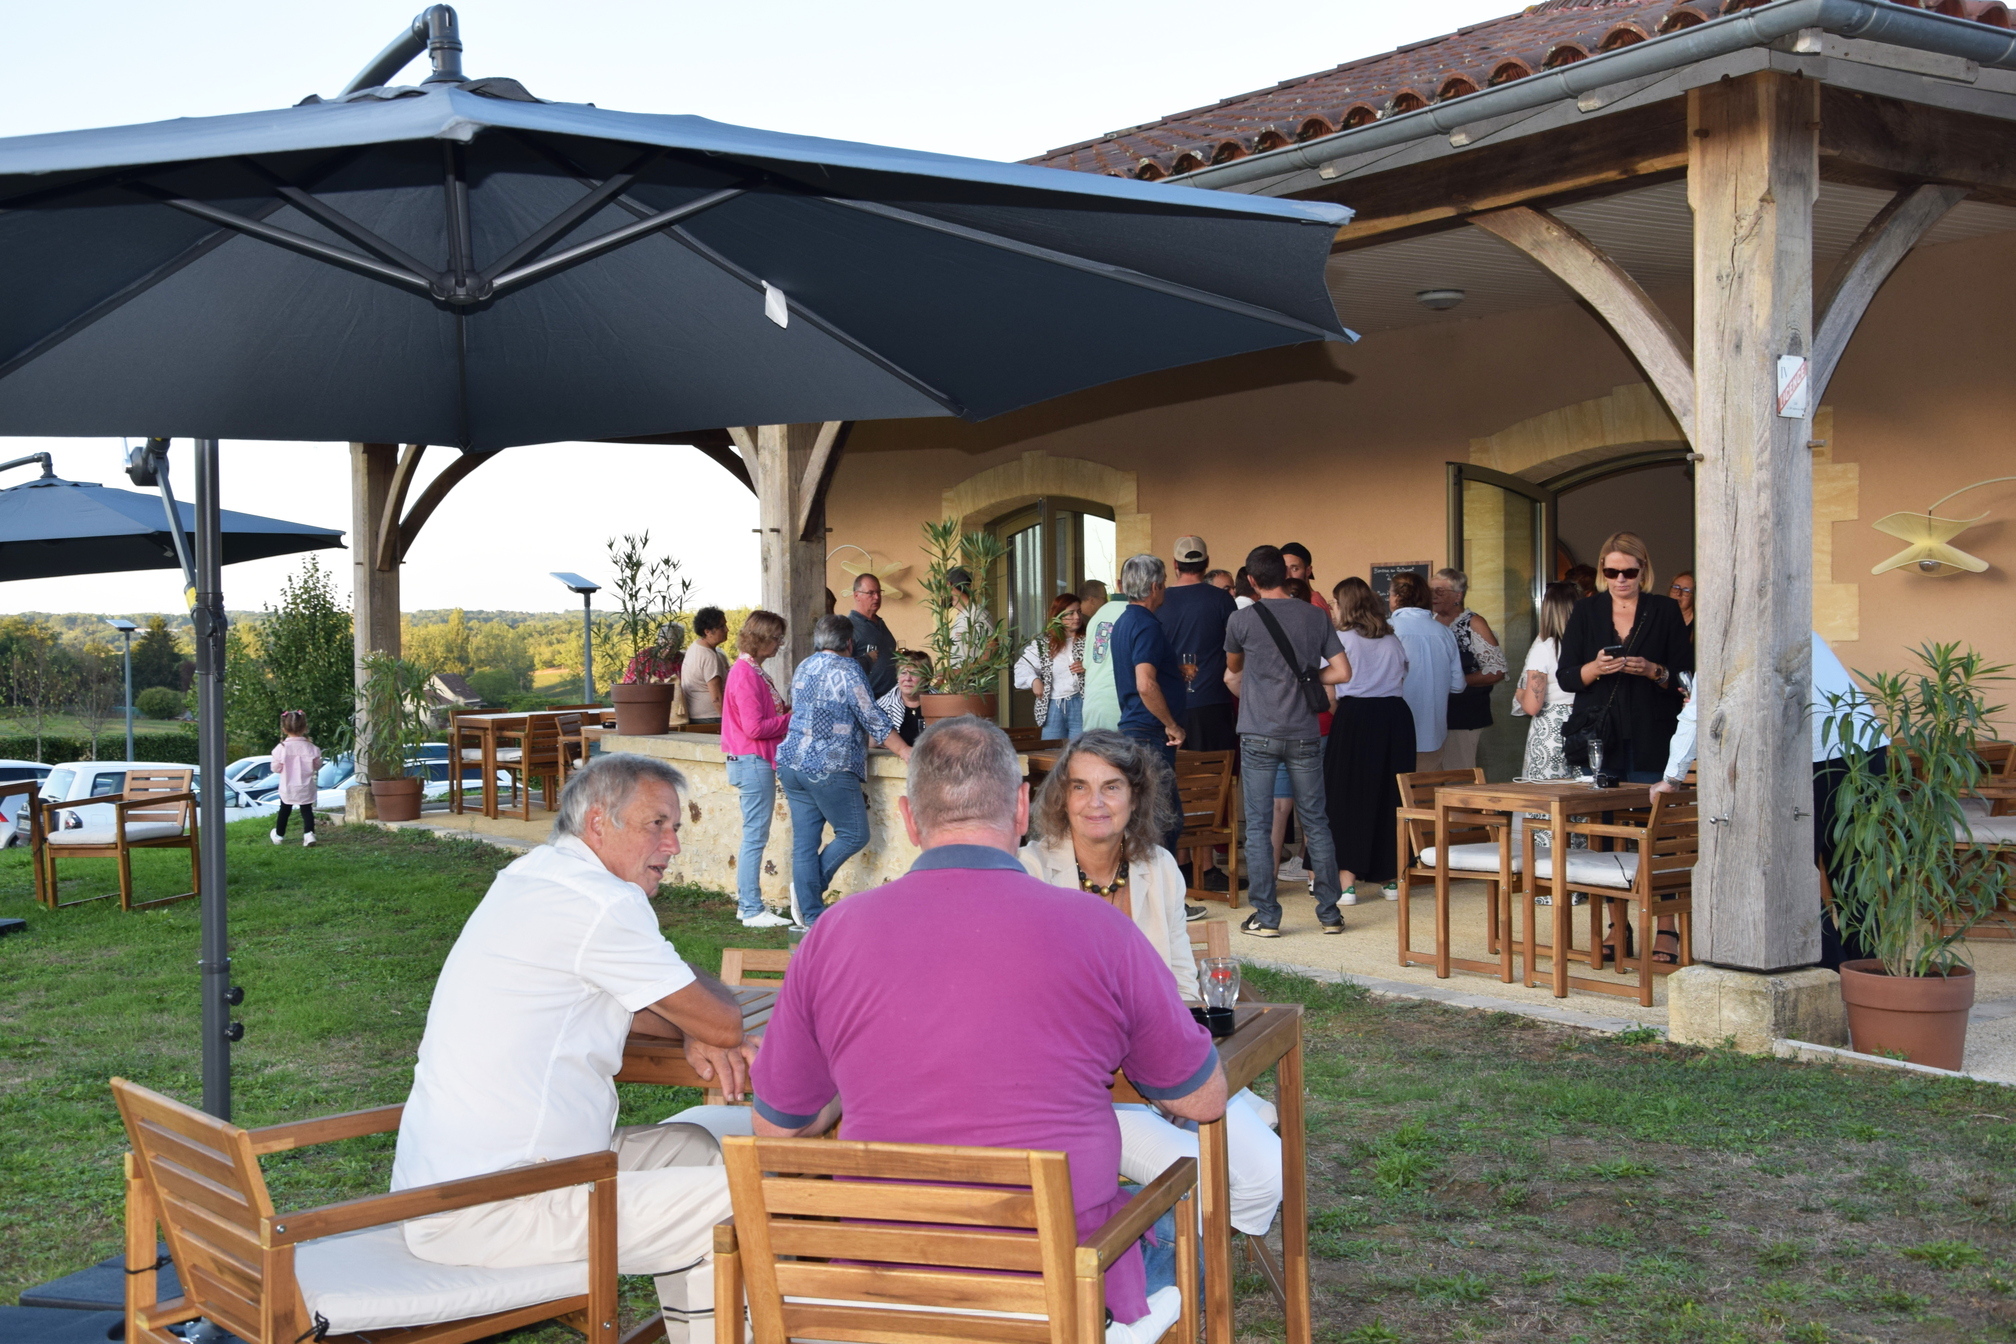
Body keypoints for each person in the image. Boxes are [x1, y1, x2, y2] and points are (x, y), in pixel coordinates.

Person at [750, 718, 1226, 1331]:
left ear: (909, 816)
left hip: (886, 1281)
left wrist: (855, 1076)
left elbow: (776, 1124)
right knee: (1186, 1222)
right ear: (1023, 807)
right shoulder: (1100, 929)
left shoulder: (831, 935)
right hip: (1053, 1282)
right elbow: (1204, 1098)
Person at [393, 754, 756, 1344]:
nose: (673, 846)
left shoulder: (534, 874)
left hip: (469, 1181)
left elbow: (650, 1013)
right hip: (500, 1204)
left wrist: (678, 1009)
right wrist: (688, 1004)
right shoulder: (603, 903)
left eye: (676, 828)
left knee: (699, 1150)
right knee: (754, 1192)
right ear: (597, 824)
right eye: (656, 825)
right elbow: (722, 1021)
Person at [1019, 730, 1282, 1236]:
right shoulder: (1030, 872)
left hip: (1166, 1067)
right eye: (1080, 787)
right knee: (1204, 1178)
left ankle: (1197, 1251)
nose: (1095, 802)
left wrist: (1173, 1075)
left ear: (1135, 797)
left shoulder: (1158, 867)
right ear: (1061, 797)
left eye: (1111, 787)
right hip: (1091, 1092)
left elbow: (1183, 979)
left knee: (1268, 1172)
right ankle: (1184, 1264)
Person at [1655, 631, 1884, 968]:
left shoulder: (1735, 631)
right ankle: (1866, 970)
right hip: (1867, 748)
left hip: (1813, 757)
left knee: (1793, 869)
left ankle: (1831, 969)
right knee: (1853, 869)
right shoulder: (1802, 625)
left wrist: (1672, 777)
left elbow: (1697, 714)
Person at [1224, 545, 1352, 938]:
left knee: (1260, 828)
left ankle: (1266, 917)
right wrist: (1309, 678)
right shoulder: (1315, 615)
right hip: (1304, 733)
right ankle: (1329, 914)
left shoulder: (1241, 619)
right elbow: (1342, 672)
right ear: (1285, 573)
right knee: (1317, 821)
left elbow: (1232, 668)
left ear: (1252, 580)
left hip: (1259, 732)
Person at [774, 615, 913, 929]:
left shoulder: (804, 666)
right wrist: (905, 750)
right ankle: (809, 892)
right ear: (850, 643)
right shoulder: (849, 669)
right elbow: (871, 716)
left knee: (804, 844)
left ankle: (810, 914)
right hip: (829, 765)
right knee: (854, 833)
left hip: (792, 764)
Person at [1556, 530, 1691, 786]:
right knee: (1600, 818)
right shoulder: (1585, 610)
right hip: (1599, 734)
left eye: (1629, 572)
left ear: (1643, 569)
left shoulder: (1665, 610)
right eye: (1611, 572)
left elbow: (1686, 677)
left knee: (1648, 814)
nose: (1620, 579)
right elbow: (1566, 677)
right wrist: (1596, 667)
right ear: (1602, 571)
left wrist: (1654, 671)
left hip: (1651, 735)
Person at [1323, 579, 1415, 905]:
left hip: (1356, 718)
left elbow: (1329, 693)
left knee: (1346, 796)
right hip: (1395, 717)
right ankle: (1390, 877)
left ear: (1345, 605)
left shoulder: (1341, 639)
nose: (1332, 608)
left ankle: (1346, 882)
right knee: (1390, 796)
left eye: (1334, 602)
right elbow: (1403, 673)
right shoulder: (1392, 639)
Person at [1109, 554, 1188, 852]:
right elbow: (1145, 682)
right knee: (1164, 820)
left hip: (1134, 729)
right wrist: (1172, 725)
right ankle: (1161, 898)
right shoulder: (1146, 625)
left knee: (1147, 820)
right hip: (1150, 733)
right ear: (1155, 587)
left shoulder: (1124, 621)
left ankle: (1150, 895)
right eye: (1164, 582)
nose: (1166, 587)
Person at [721, 611, 793, 929]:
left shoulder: (751, 670)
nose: (780, 644)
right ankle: (750, 908)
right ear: (761, 638)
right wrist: (795, 717)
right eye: (777, 638)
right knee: (754, 837)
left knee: (754, 835)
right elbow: (755, 727)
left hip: (750, 760)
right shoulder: (746, 674)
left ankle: (747, 905)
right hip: (752, 759)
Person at [1157, 535, 1240, 753]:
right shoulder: (1222, 600)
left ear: (1175, 564)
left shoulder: (1159, 600)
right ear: (1207, 563)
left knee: (1173, 779)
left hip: (1168, 705)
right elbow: (1239, 646)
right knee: (1214, 778)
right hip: (1213, 703)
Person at [1430, 569, 1508, 771]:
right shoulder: (1428, 622)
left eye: (1440, 591)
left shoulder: (1473, 623)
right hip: (1432, 715)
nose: (1433, 596)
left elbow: (1496, 669)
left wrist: (1455, 681)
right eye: (1430, 591)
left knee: (1459, 774)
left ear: (1458, 595)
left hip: (1464, 714)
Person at [1387, 572, 1465, 772]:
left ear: (1396, 597)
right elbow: (1458, 685)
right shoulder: (1444, 632)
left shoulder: (1387, 630)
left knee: (1394, 797)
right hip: (1432, 733)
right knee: (1427, 797)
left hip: (1393, 733)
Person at [1512, 582, 1580, 781]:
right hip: (1584, 726)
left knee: (1546, 799)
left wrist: (1520, 693)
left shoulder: (1545, 649)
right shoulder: (1588, 647)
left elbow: (1532, 706)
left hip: (1551, 732)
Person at [1013, 593, 1085, 740]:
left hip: (1082, 704)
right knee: (1051, 753)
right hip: (1052, 707)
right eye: (1070, 613)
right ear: (1057, 616)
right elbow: (1022, 666)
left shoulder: (1089, 639)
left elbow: (1105, 666)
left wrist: (1088, 667)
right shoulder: (1044, 644)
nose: (1076, 617)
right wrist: (1034, 680)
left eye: (1078, 611)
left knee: (1081, 753)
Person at [268, 708, 322, 847]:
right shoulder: (311, 748)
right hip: (305, 785)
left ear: (284, 729)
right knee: (306, 810)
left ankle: (279, 836)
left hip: (288, 786)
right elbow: (317, 765)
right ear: (304, 728)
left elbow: (275, 768)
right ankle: (309, 834)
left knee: (284, 810)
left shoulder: (281, 748)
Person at [845, 573, 899, 700]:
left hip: (892, 699)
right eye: (871, 593)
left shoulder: (880, 623)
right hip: (868, 701)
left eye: (879, 592)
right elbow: (844, 667)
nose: (877, 597)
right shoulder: (849, 627)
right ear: (856, 595)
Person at [680, 607, 730, 724]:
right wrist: (729, 723)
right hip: (709, 717)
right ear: (707, 632)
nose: (727, 630)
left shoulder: (695, 646)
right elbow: (716, 698)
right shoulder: (709, 656)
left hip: (696, 714)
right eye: (721, 627)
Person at [874, 649, 931, 747]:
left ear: (926, 678)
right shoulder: (882, 707)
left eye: (915, 674)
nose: (907, 679)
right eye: (903, 673)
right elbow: (872, 741)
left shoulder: (941, 702)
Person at [620, 621, 685, 687]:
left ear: (680, 645)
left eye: (672, 647)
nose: (667, 651)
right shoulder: (642, 659)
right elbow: (626, 688)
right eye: (664, 645)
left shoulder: (682, 660)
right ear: (658, 640)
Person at [1280, 542, 1332, 618]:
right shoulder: (1294, 600)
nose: (1288, 575)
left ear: (1308, 571)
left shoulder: (1313, 604)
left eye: (1295, 569)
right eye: (1284, 569)